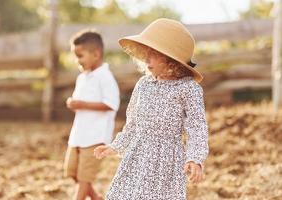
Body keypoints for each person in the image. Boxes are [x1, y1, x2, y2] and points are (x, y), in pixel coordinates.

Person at [94, 18, 209, 200]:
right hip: (137, 156)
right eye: (146, 52)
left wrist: (195, 158)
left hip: (166, 162)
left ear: (172, 59)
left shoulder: (188, 89)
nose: (146, 58)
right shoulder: (143, 85)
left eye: (154, 53)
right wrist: (116, 146)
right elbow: (132, 124)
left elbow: (197, 128)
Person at [63, 30, 120, 200]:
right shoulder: (82, 78)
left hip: (95, 137)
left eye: (80, 55)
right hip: (79, 134)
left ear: (96, 54)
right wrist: (74, 104)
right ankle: (96, 198)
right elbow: (80, 102)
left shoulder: (105, 77)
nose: (77, 60)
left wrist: (82, 104)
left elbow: (111, 104)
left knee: (84, 178)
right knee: (72, 171)